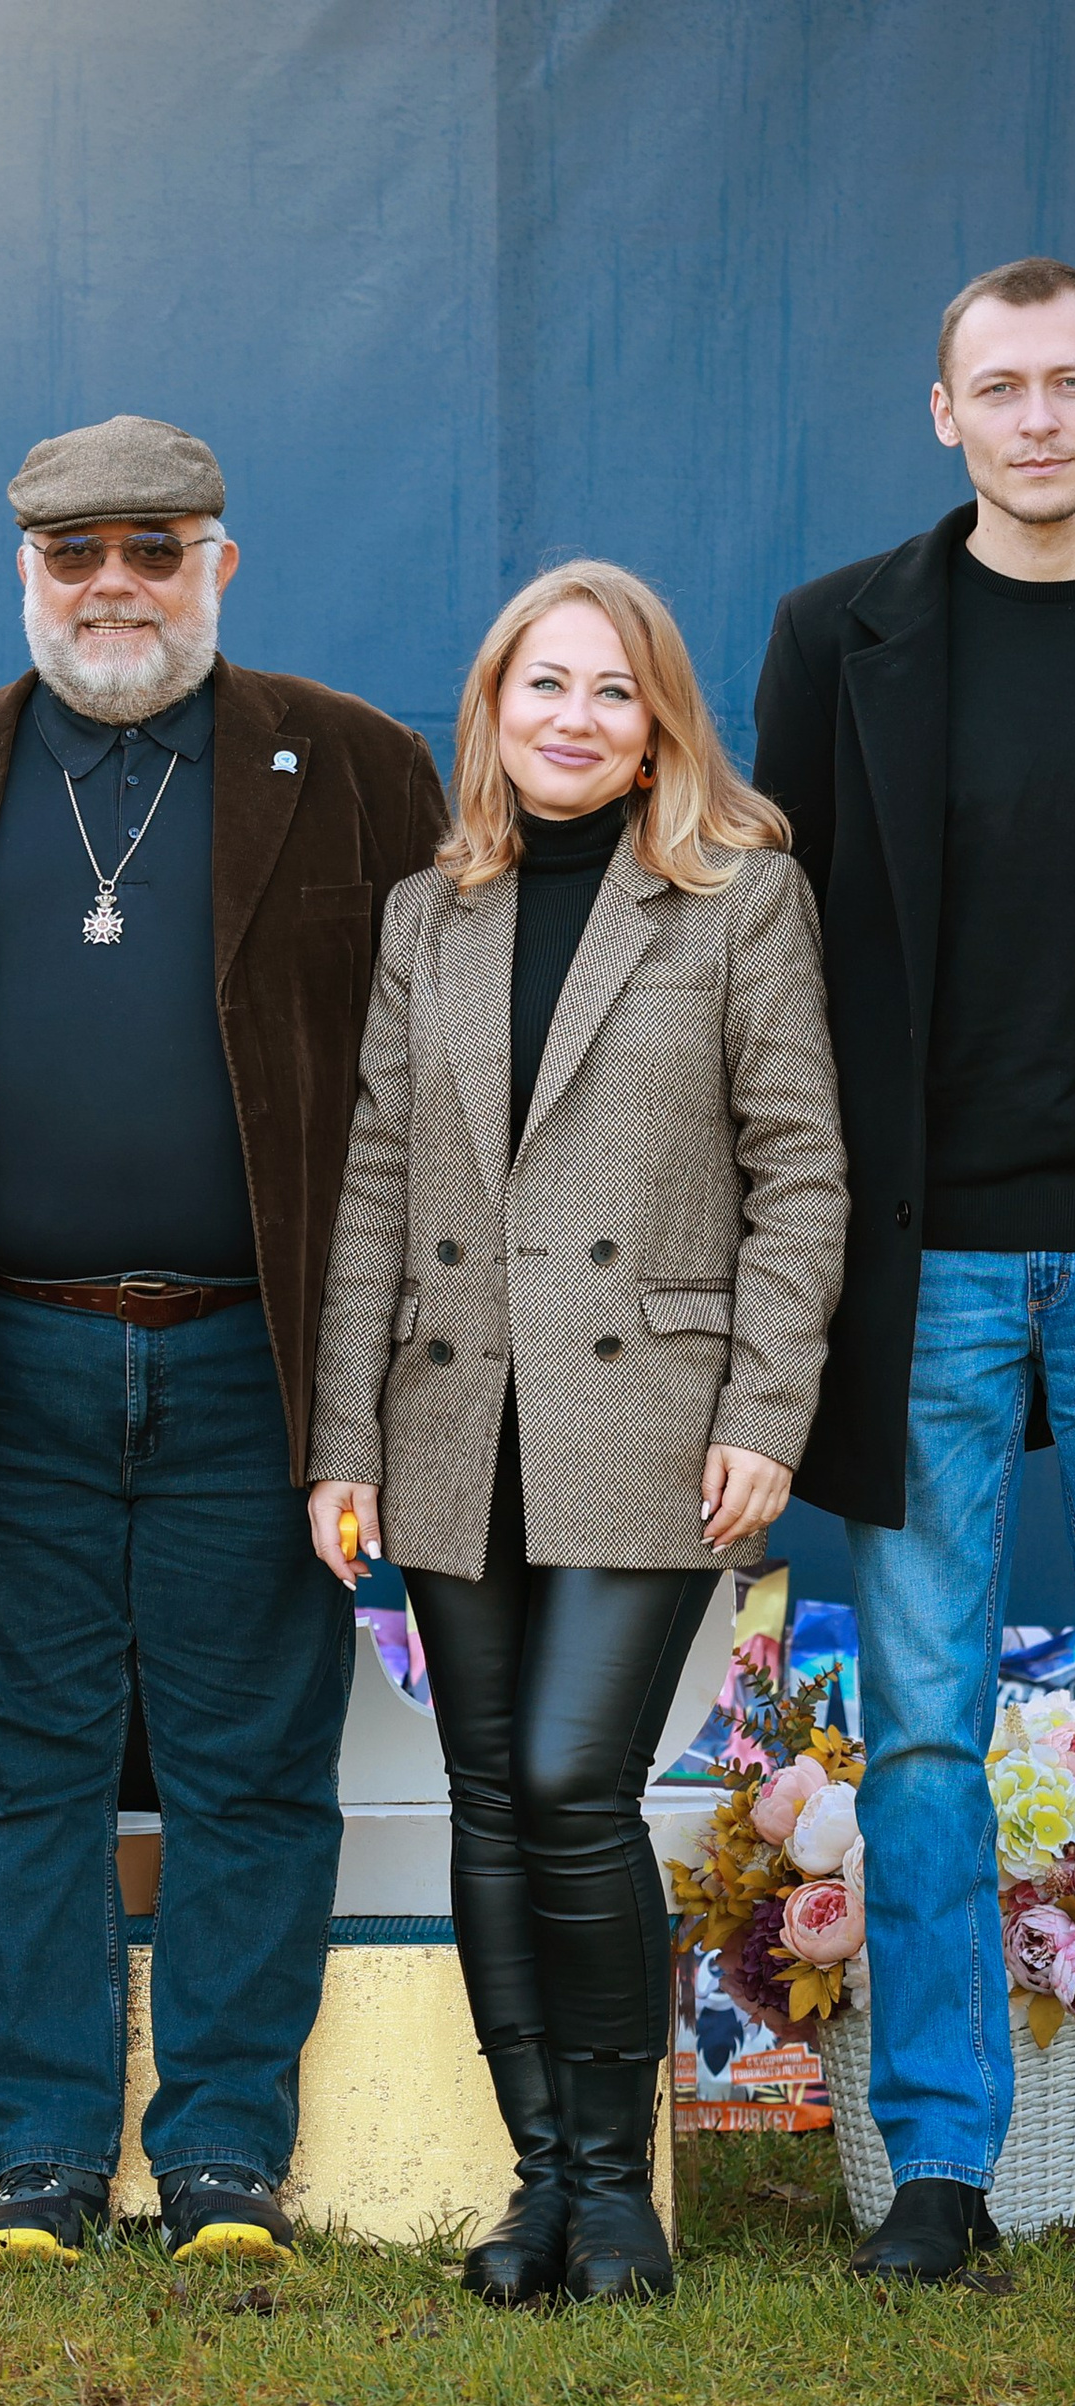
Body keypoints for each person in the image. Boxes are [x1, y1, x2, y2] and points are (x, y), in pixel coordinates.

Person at [0, 415, 448, 2267]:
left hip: (268, 1363)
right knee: (15, 1773)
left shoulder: (355, 770)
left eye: (153, 551)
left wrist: (385, 1391)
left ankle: (232, 2159)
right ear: (23, 572)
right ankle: (40, 2168)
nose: (113, 587)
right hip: (0, 1358)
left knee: (254, 1766)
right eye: (75, 554)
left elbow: (432, 1087)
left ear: (218, 565)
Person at [311, 561, 846, 2304]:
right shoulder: (427, 917)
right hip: (455, 1406)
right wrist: (347, 1438)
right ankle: (538, 2182)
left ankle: (618, 2187)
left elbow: (802, 1171)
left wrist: (768, 1408)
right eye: (544, 684)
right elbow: (377, 1184)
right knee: (487, 1799)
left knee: (565, 1780)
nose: (573, 717)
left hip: (650, 1411)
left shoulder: (736, 901)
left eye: (612, 692)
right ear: (492, 709)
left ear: (656, 729)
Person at [753, 254, 1075, 2283]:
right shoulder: (832, 637)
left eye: (1066, 379)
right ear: (938, 411)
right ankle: (941, 2160)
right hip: (931, 1244)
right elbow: (767, 963)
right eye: (1005, 383)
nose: (1042, 411)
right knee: (930, 1722)